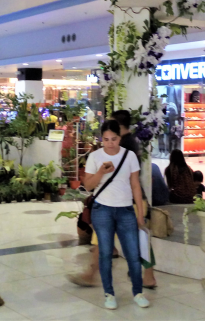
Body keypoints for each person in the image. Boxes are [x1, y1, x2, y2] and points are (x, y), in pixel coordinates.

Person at [83, 120, 150, 310]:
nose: (110, 143)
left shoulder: (129, 156)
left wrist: (140, 214)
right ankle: (109, 293)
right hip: (102, 209)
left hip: (125, 210)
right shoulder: (95, 157)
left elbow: (135, 185)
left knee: (133, 254)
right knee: (105, 253)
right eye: (106, 139)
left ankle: (138, 292)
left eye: (113, 139)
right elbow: (88, 186)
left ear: (119, 138)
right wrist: (100, 172)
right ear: (101, 139)